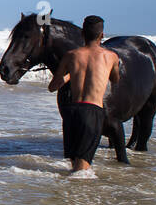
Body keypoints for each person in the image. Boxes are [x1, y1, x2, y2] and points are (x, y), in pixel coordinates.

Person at [47, 15, 120, 173]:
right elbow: (115, 79)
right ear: (102, 35)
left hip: (71, 112)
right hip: (92, 113)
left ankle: (67, 196)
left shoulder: (71, 55)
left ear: (82, 34)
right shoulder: (111, 57)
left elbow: (53, 87)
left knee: (74, 165)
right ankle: (76, 197)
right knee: (82, 170)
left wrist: (71, 74)